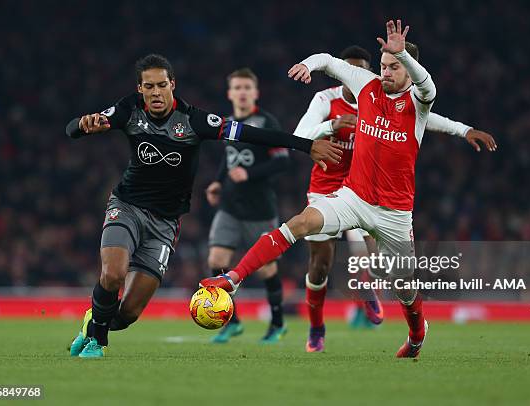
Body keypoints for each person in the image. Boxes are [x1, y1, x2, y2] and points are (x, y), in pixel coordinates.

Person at [200, 20, 496, 358]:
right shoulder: (366, 84)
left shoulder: (418, 102)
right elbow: (327, 60)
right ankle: (231, 280)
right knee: (299, 224)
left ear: (409, 70)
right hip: (352, 196)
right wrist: (307, 65)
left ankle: (416, 334)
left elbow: (428, 87)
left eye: (394, 67)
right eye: (383, 65)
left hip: (394, 213)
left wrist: (462, 127)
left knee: (403, 285)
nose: (385, 72)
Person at [65, 54, 342, 358]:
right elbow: (74, 129)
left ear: (172, 84)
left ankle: (91, 325)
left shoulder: (194, 120)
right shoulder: (128, 109)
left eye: (161, 85)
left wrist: (305, 145)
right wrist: (82, 124)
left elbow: (253, 134)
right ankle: (97, 343)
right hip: (127, 206)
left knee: (128, 313)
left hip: (165, 223)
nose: (156, 92)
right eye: (149, 87)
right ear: (140, 89)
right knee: (113, 274)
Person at [293, 45, 496, 351]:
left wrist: (462, 130)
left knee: (372, 255)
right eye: (350, 71)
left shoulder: (376, 93)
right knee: (320, 264)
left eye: (363, 70)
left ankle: (367, 287)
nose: (354, 78)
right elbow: (300, 135)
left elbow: (425, 116)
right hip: (325, 183)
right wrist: (331, 126)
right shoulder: (326, 99)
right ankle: (317, 327)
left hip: (362, 187)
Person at [206, 68, 289, 344]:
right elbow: (228, 159)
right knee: (216, 261)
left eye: (247, 87)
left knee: (266, 270)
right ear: (229, 93)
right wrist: (218, 182)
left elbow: (282, 160)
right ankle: (231, 321)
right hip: (230, 205)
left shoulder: (266, 123)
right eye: (237, 87)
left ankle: (277, 323)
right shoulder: (227, 122)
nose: (242, 92)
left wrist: (249, 174)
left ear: (255, 92)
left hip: (259, 209)